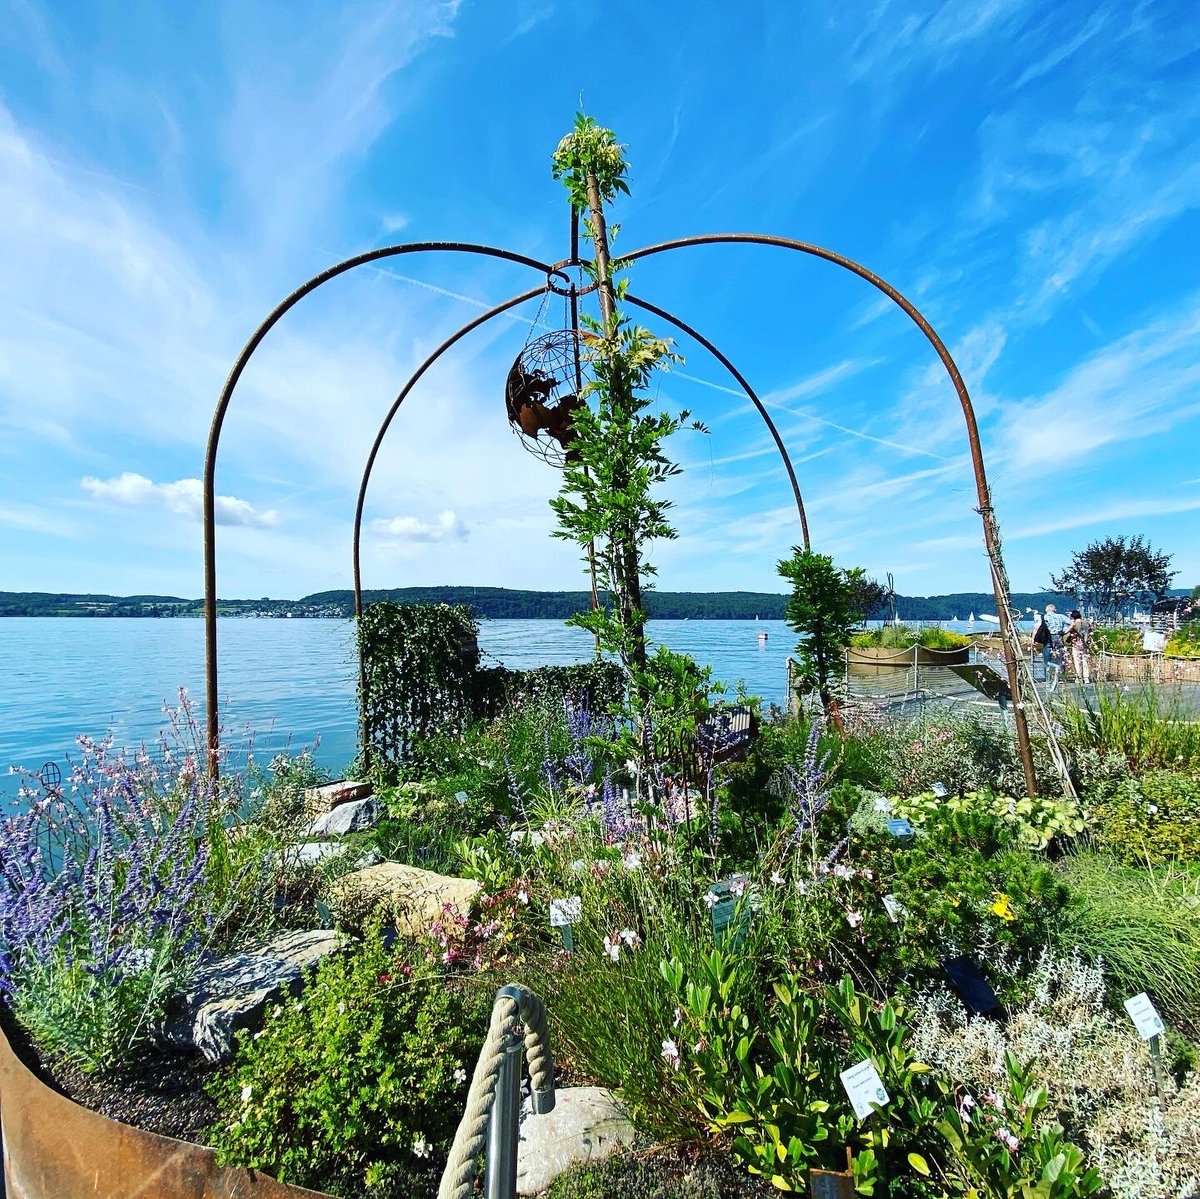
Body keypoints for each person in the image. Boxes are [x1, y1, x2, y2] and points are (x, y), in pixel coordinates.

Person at [1063, 609, 1091, 684]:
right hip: (1085, 644)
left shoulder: (1074, 623)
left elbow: (1066, 631)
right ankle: (1086, 678)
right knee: (1085, 661)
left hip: (1076, 643)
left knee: (1077, 661)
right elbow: (1090, 632)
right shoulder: (1086, 623)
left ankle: (1079, 677)